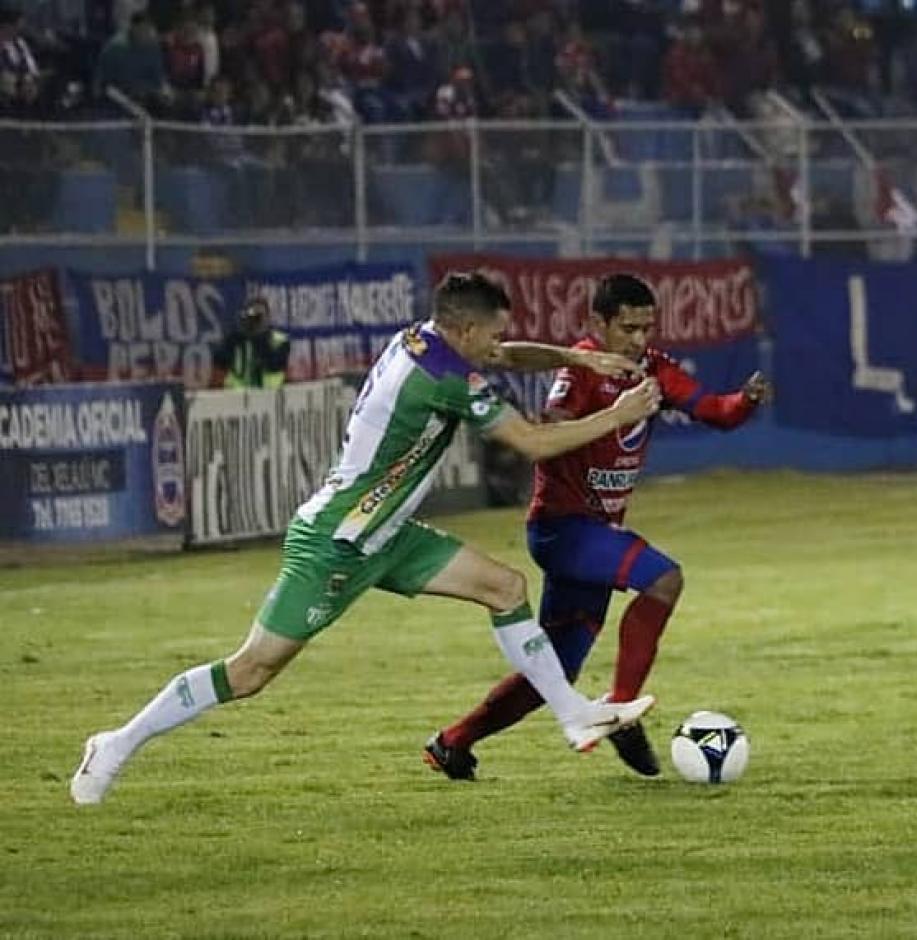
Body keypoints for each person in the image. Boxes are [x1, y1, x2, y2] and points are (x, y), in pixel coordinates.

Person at [70, 272, 663, 805]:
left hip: (389, 534)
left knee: (505, 587)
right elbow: (533, 443)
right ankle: (115, 743)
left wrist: (576, 359)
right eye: (488, 336)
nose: (494, 347)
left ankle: (574, 717)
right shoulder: (446, 380)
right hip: (338, 540)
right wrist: (620, 412)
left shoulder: (424, 339)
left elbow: (505, 355)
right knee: (251, 672)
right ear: (462, 328)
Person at [424, 272, 771, 781]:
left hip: (594, 535)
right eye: (627, 328)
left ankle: (452, 743)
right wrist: (609, 413)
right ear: (597, 324)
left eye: (646, 328)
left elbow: (714, 411)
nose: (638, 339)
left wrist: (745, 402)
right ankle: (621, 709)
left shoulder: (653, 369)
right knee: (664, 578)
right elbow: (551, 427)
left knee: (555, 671)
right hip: (563, 530)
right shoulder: (580, 369)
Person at [213, 296, 291, 389]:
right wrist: (238, 334)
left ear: (268, 317)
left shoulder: (280, 340)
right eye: (253, 316)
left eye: (259, 316)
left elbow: (274, 365)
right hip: (237, 395)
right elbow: (219, 361)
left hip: (269, 394)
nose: (256, 320)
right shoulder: (236, 339)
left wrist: (259, 336)